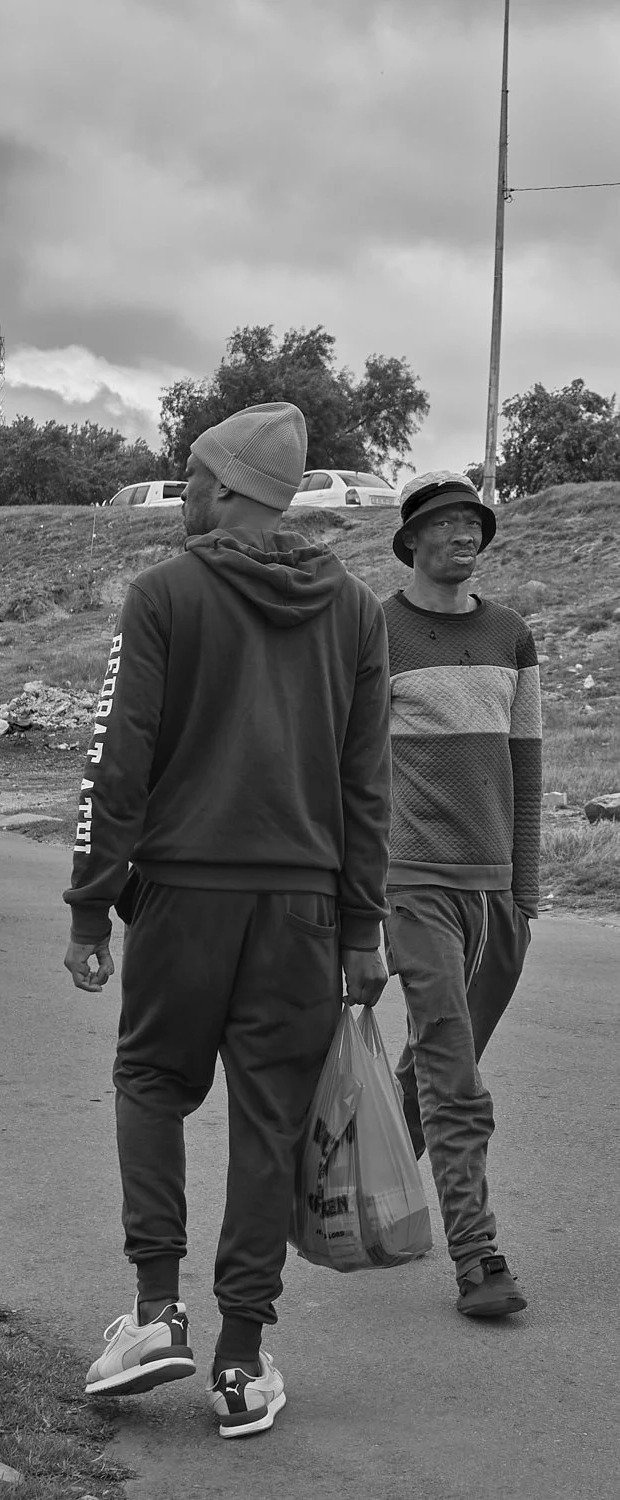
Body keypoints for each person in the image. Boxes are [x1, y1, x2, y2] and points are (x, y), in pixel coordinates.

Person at [63, 401, 392, 1437]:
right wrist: (360, 928)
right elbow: (364, 784)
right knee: (270, 1124)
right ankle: (243, 1364)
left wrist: (89, 904)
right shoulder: (356, 612)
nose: (186, 492)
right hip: (300, 909)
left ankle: (157, 1314)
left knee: (152, 1082)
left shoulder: (164, 595)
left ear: (228, 488)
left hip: (183, 897)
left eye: (195, 475)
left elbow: (121, 756)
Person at [381, 469, 542, 1318]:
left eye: (474, 522)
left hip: (497, 896)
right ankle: (478, 1261)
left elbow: (526, 764)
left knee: (434, 1067)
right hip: (413, 882)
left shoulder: (511, 634)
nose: (464, 534)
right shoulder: (377, 631)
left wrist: (526, 890)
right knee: (456, 1078)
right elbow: (354, 768)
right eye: (444, 523)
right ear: (410, 541)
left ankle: (349, 1194)